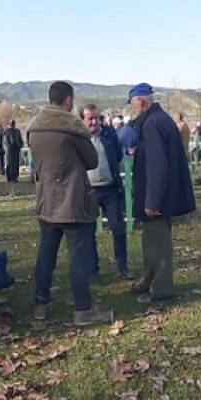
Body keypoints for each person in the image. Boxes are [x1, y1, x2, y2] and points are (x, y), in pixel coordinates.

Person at [27, 80, 112, 326]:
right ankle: (83, 309)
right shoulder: (71, 128)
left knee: (46, 255)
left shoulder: (34, 129)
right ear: (68, 101)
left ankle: (41, 304)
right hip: (73, 201)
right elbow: (92, 160)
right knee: (79, 257)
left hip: (46, 201)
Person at [128, 83, 195, 302]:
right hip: (159, 193)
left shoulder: (152, 124)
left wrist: (153, 201)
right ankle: (149, 279)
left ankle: (161, 287)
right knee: (151, 241)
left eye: (133, 103)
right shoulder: (160, 119)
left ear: (140, 101)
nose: (132, 107)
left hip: (156, 196)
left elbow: (157, 165)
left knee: (159, 243)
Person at [81, 104, 133, 280]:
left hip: (111, 189)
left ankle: (122, 265)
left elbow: (118, 155)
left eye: (97, 118)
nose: (95, 122)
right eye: (90, 119)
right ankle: (93, 269)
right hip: (89, 191)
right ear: (83, 120)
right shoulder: (79, 138)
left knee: (118, 229)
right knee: (89, 232)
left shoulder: (109, 134)